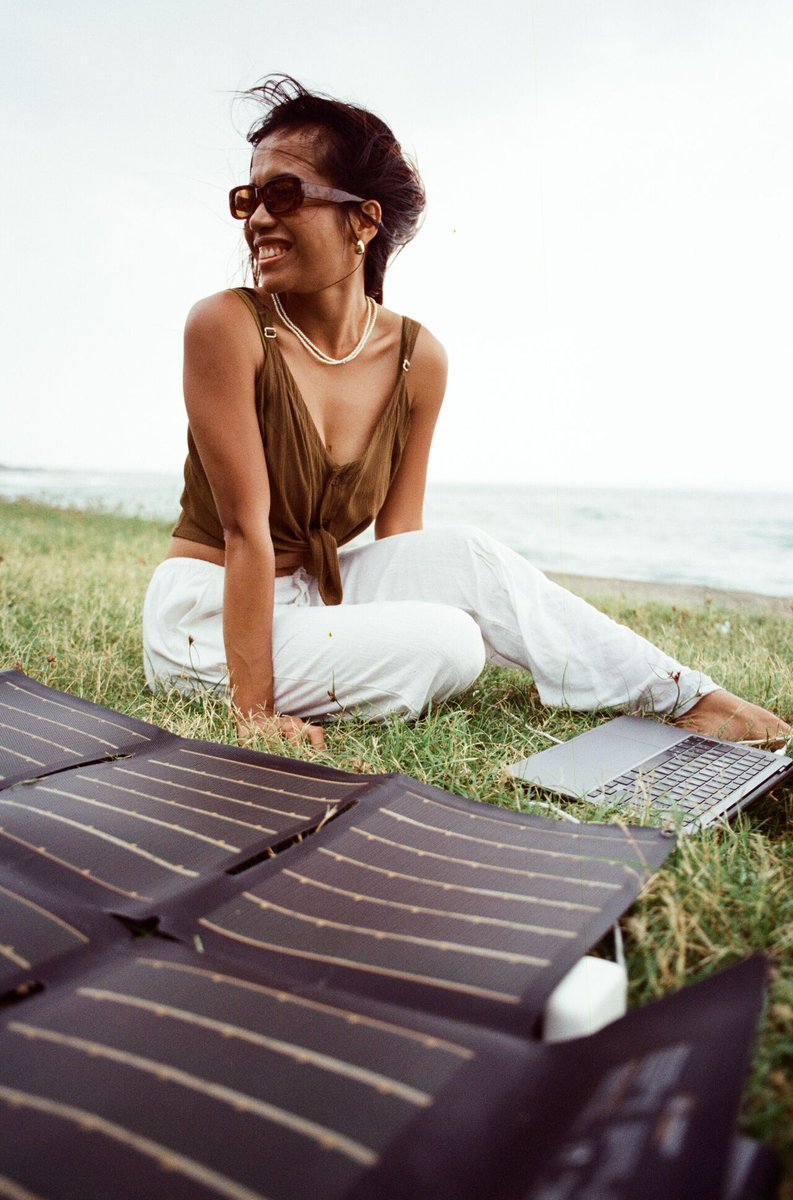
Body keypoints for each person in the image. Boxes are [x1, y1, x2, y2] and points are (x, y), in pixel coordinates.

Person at [143, 76, 789, 753]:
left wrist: (440, 604)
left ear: (363, 221)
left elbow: (403, 543)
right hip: (208, 615)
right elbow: (246, 531)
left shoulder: (416, 358)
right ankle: (312, 670)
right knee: (449, 643)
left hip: (309, 599)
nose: (257, 219)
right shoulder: (227, 325)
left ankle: (691, 697)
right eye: (249, 198)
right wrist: (254, 715)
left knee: (469, 555)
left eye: (284, 194)